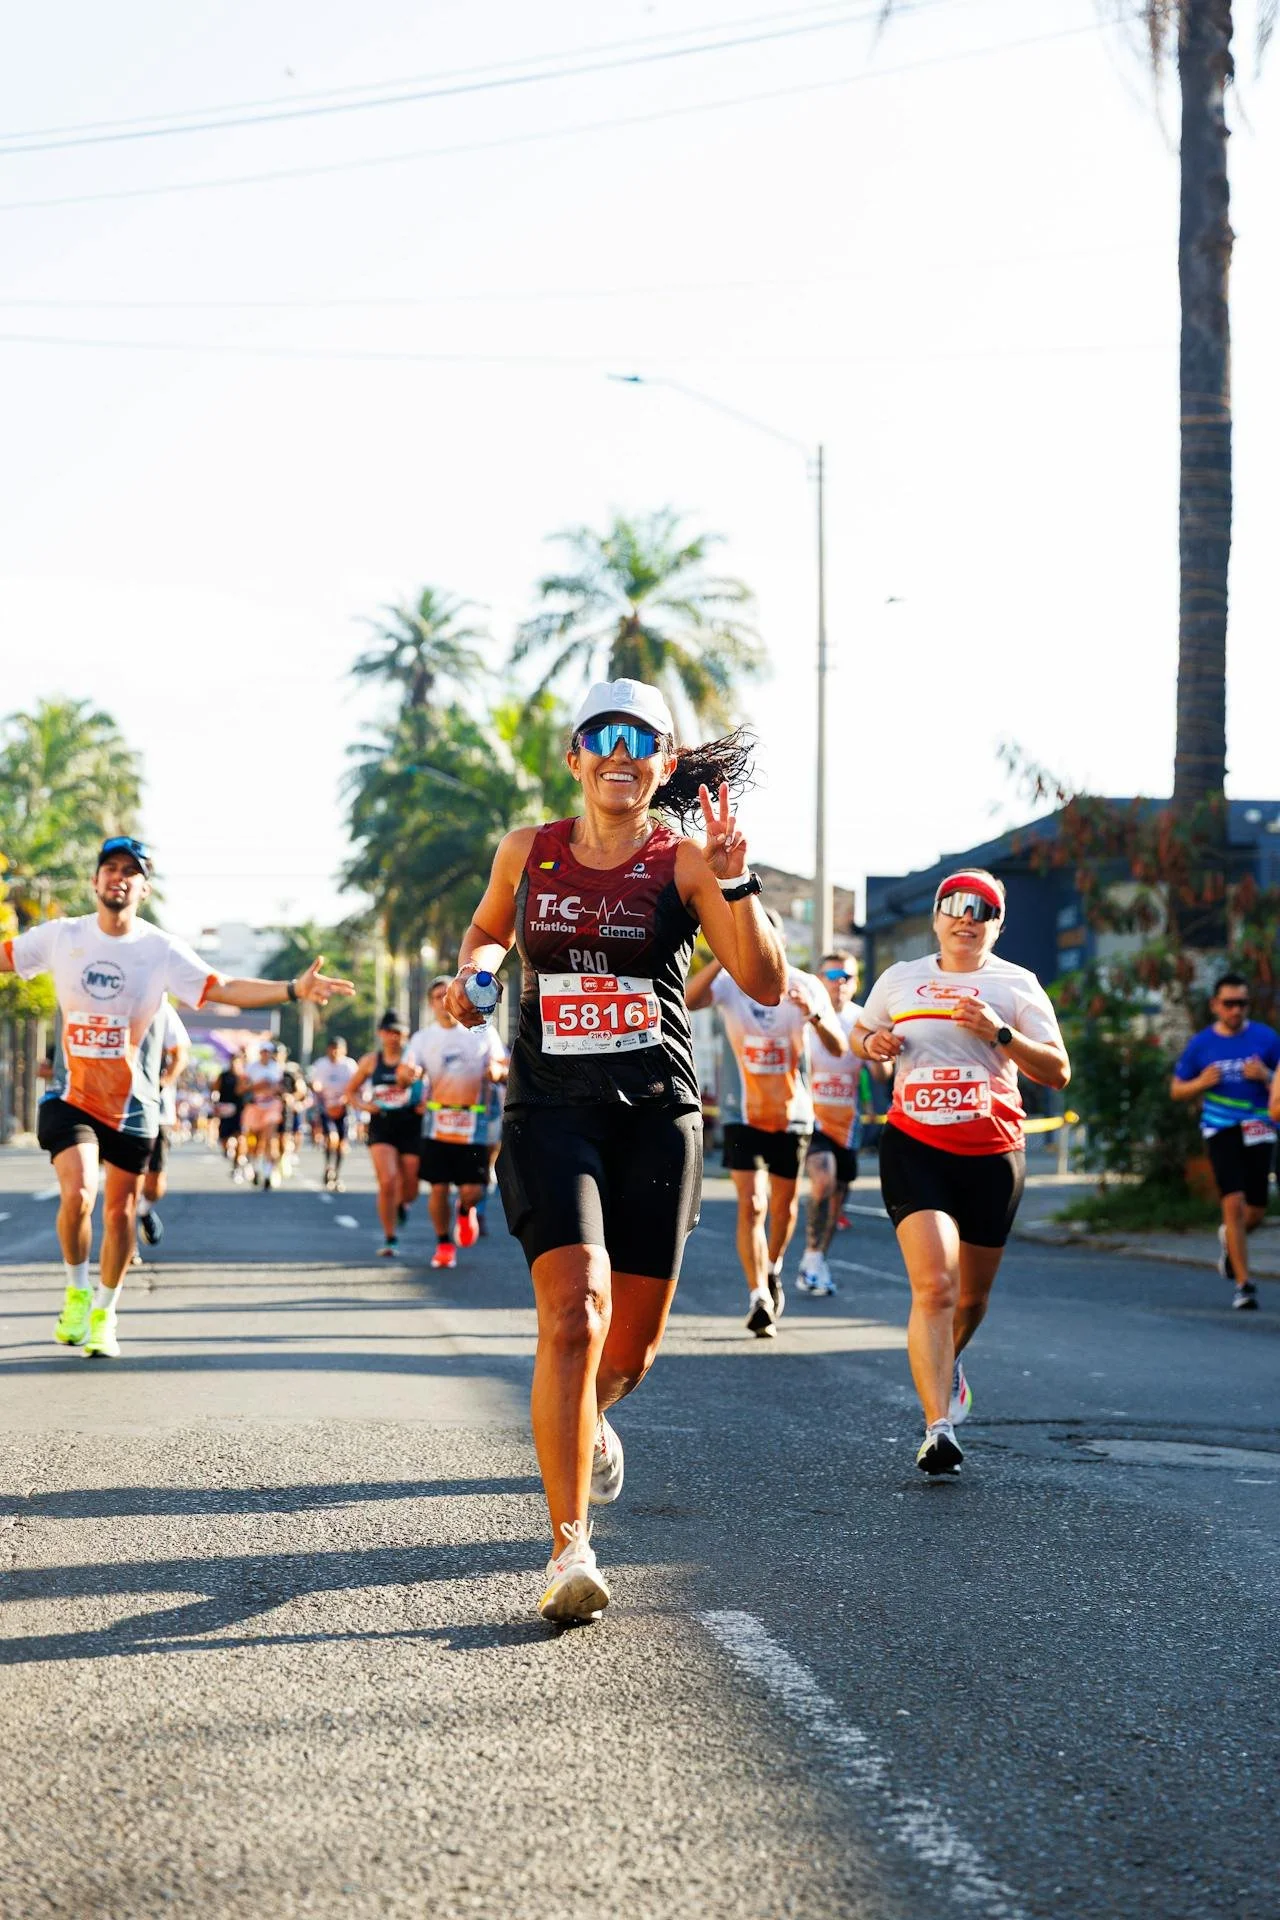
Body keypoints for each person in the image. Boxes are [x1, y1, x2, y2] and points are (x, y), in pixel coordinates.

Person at [445, 678, 785, 1624]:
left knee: (627, 1348)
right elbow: (483, 937)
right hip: (550, 1110)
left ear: (664, 764)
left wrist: (735, 881)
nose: (622, 751)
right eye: (606, 735)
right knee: (572, 1313)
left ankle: (591, 1417)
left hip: (654, 1116)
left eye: (645, 739)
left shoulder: (682, 863)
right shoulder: (529, 852)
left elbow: (762, 979)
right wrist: (471, 978)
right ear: (576, 756)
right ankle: (568, 1548)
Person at [0, 835, 352, 1357]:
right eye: (110, 868)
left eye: (130, 871)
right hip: (72, 1097)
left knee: (119, 1214)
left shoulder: (159, 949)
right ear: (96, 881)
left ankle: (104, 1311)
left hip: (133, 1106)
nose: (118, 877)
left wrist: (293, 990)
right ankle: (76, 1289)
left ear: (143, 888)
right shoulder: (61, 937)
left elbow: (223, 987)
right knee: (78, 1195)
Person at [852, 869, 1070, 1476]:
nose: (966, 917)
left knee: (971, 1298)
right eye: (954, 905)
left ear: (996, 925)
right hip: (914, 1145)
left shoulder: (1016, 985)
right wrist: (874, 1046)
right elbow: (862, 1032)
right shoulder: (901, 978)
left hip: (993, 1152)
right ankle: (937, 1427)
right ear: (938, 916)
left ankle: (949, 1362)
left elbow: (1057, 1072)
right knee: (936, 1287)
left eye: (981, 910)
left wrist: (1001, 1035)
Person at [685, 914, 846, 1336]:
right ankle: (758, 1294)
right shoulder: (729, 984)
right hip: (743, 1114)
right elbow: (686, 999)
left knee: (783, 1206)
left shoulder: (806, 984)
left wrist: (814, 1016)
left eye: (762, 936)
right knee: (752, 1204)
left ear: (780, 941)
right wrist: (723, 956)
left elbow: (838, 1045)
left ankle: (772, 1267)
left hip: (793, 1114)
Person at [1171, 974, 1280, 1311]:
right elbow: (1177, 1090)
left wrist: (1267, 1076)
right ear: (1215, 1005)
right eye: (1229, 1003)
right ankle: (1244, 1285)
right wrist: (1201, 1082)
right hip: (1220, 1128)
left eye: (1242, 1004)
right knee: (1232, 1203)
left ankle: (1229, 1242)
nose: (1235, 1010)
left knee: (1256, 1210)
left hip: (1260, 1126)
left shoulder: (1266, 1038)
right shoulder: (1202, 1044)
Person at [403, 974, 508, 1270]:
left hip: (473, 1126)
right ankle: (444, 1243)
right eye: (437, 996)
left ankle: (465, 1210)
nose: (442, 1000)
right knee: (438, 1188)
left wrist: (495, 1072)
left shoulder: (483, 1032)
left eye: (447, 994)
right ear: (431, 1003)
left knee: (473, 1190)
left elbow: (501, 1066)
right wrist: (407, 1073)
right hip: (438, 1123)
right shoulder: (423, 1038)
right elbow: (406, 1069)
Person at [798, 950, 885, 1296]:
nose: (840, 984)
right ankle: (811, 1257)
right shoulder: (803, 1018)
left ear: (856, 982)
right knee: (823, 1176)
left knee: (837, 1198)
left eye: (847, 977)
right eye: (833, 977)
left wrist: (880, 1051)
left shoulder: (862, 1020)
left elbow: (881, 1075)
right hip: (810, 1120)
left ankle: (814, 1260)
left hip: (847, 1124)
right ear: (820, 980)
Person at [347, 1012, 425, 1258]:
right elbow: (350, 1092)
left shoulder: (414, 1060)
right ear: (381, 1034)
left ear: (406, 1036)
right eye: (389, 1032)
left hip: (411, 1123)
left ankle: (403, 1203)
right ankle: (390, 1237)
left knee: (410, 1185)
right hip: (382, 1124)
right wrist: (365, 1106)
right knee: (388, 1180)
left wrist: (422, 1097)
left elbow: (428, 1088)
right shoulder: (371, 1061)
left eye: (399, 1033)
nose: (393, 1038)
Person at [137, 1000, 190, 1250]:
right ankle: (127, 1248)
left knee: (155, 1185)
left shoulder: (161, 1007)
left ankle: (144, 1210)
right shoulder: (109, 1000)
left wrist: (161, 1083)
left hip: (157, 1111)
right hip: (118, 1110)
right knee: (125, 1181)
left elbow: (180, 1054)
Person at [310, 1034, 358, 1191]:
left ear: (344, 1050)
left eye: (338, 1049)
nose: (334, 1052)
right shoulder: (321, 1064)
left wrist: (345, 1099)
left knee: (342, 1145)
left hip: (344, 1107)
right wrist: (317, 1088)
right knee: (331, 1138)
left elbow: (355, 1085)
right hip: (326, 1106)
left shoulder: (349, 1066)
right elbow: (315, 1083)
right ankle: (327, 1168)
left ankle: (336, 1173)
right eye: (332, 1049)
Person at [243, 1038, 286, 1189]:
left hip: (272, 1105)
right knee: (254, 1141)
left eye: (268, 1052)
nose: (265, 1055)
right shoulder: (251, 1068)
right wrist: (257, 1086)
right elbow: (243, 1087)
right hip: (255, 1106)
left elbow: (281, 1087)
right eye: (263, 1052)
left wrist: (274, 1088)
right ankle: (255, 1167)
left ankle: (268, 1173)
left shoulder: (277, 1068)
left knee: (269, 1139)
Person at [214, 1049, 249, 1178]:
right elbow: (215, 1089)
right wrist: (215, 1104)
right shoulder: (224, 1075)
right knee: (224, 1138)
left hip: (241, 1111)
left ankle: (238, 1163)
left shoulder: (245, 1076)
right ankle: (231, 1153)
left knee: (240, 1136)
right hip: (226, 1110)